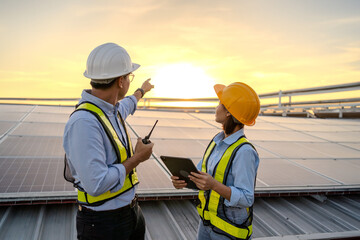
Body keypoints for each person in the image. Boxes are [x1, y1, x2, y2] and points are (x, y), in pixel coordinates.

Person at [63, 42, 154, 240]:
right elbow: (97, 184)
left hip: (130, 213)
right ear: (121, 81)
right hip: (104, 224)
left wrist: (142, 90)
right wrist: (137, 158)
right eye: (130, 77)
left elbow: (129, 103)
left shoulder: (111, 110)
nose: (130, 81)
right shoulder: (84, 122)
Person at [171, 82, 260, 240]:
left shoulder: (244, 152)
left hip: (229, 233)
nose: (216, 107)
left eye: (220, 103)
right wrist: (185, 181)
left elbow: (247, 198)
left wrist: (214, 185)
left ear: (228, 112)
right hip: (206, 225)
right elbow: (203, 176)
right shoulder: (216, 142)